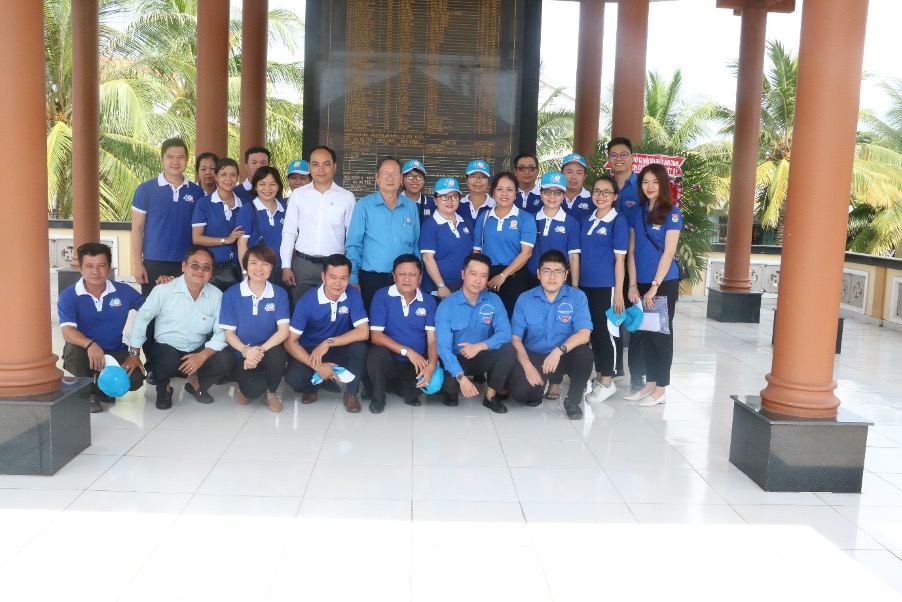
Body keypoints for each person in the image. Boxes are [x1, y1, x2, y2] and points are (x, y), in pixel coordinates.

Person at [128, 246, 235, 410]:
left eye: (206, 267)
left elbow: (221, 331)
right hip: (167, 348)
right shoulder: (163, 290)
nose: (200, 271)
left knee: (225, 359)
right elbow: (142, 319)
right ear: (183, 266)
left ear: (211, 272)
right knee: (167, 361)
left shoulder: (217, 295)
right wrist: (134, 354)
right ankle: (164, 388)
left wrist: (202, 356)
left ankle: (196, 382)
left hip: (196, 349)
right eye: (195, 265)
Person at [58, 242, 145, 413]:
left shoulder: (124, 291)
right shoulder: (69, 295)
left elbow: (150, 310)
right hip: (83, 352)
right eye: (89, 266)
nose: (95, 272)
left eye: (101, 266)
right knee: (73, 350)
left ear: (109, 267)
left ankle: (102, 388)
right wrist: (90, 345)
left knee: (135, 379)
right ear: (80, 269)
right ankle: (91, 393)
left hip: (114, 350)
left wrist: (134, 353)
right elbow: (67, 332)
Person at [509, 250, 593, 420]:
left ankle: (573, 400)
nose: (552, 277)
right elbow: (515, 338)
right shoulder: (525, 299)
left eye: (558, 272)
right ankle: (540, 386)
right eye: (547, 271)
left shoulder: (577, 297)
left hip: (562, 356)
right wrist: (528, 367)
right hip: (534, 356)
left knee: (585, 354)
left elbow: (584, 334)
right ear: (539, 274)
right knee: (520, 394)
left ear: (566, 275)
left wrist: (558, 351)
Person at [624, 163, 682, 407]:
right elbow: (631, 251)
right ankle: (649, 384)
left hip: (663, 282)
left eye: (655, 182)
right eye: (645, 182)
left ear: (663, 184)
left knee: (660, 336)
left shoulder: (672, 213)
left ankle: (660, 389)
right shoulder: (637, 213)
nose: (649, 186)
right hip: (641, 282)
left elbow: (668, 253)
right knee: (645, 335)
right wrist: (633, 285)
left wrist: (654, 287)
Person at [284, 254, 369, 413]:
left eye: (343, 278)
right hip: (311, 351)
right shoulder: (307, 301)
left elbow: (363, 332)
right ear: (323, 276)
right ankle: (312, 387)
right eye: (332, 277)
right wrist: (317, 366)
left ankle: (351, 393)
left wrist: (329, 342)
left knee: (360, 348)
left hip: (337, 346)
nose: (338, 283)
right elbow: (289, 342)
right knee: (294, 378)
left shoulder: (352, 294)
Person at [435, 253, 516, 414]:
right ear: (463, 274)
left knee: (508, 350)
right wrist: (461, 379)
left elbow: (505, 333)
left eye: (483, 276)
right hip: (457, 359)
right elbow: (443, 348)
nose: (477, 280)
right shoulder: (447, 305)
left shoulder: (493, 301)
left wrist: (479, 346)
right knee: (451, 396)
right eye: (473, 274)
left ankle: (490, 396)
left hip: (482, 355)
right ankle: (456, 384)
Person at [575, 175, 628, 404]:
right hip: (585, 286)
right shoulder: (586, 220)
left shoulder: (618, 221)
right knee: (592, 333)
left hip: (606, 287)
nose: (601, 196)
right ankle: (599, 378)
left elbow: (620, 261)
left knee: (606, 334)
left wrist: (619, 293)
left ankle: (607, 381)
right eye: (597, 191)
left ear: (615, 196)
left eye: (607, 192)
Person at [280, 145, 356, 303]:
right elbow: (289, 231)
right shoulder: (298, 195)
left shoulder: (347, 197)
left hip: (334, 267)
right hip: (302, 266)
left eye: (326, 164)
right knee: (301, 310)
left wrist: (351, 271)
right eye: (315, 164)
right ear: (309, 168)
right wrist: (286, 265)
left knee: (330, 312)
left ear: (334, 167)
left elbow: (352, 237)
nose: (321, 169)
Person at [218, 244, 289, 413]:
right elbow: (229, 334)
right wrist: (246, 351)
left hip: (267, 349)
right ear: (245, 266)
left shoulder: (279, 294)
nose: (259, 268)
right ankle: (244, 388)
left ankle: (271, 393)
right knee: (253, 391)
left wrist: (259, 351)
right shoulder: (231, 294)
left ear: (271, 268)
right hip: (240, 353)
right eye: (254, 263)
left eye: (265, 264)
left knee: (278, 355)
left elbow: (283, 331)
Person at [130, 137, 204, 296]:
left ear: (187, 160)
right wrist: (138, 264)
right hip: (153, 262)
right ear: (162, 160)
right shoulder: (145, 190)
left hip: (187, 262)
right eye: (170, 157)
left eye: (180, 157)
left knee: (183, 308)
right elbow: (137, 229)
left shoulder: (197, 193)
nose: (175, 161)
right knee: (154, 308)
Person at [346, 156, 420, 311]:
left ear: (401, 178)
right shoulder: (364, 205)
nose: (390, 178)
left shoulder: (410, 207)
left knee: (402, 321)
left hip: (404, 280)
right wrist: (352, 278)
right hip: (372, 280)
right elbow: (353, 245)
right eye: (385, 174)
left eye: (394, 174)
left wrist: (418, 276)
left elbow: (415, 244)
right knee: (373, 322)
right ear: (377, 177)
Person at [366, 255, 438, 413]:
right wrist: (407, 351)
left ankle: (394, 386)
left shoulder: (429, 301)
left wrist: (431, 366)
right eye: (402, 274)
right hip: (390, 360)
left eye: (412, 274)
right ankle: (378, 398)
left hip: (416, 363)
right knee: (376, 354)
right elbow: (375, 336)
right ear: (393, 275)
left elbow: (432, 340)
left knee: (434, 383)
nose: (407, 279)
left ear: (420, 276)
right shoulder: (382, 296)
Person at [607, 136, 644, 390]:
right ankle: (615, 367)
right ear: (608, 159)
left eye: (623, 154)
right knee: (613, 315)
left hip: (635, 261)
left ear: (632, 157)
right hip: (608, 261)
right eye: (614, 155)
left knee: (636, 316)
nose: (619, 159)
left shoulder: (641, 186)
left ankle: (638, 373)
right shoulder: (604, 186)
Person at [473, 171, 536, 318]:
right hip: (488, 278)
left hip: (514, 277)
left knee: (513, 319)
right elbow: (476, 252)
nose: (504, 194)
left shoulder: (525, 218)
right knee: (486, 319)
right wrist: (480, 277)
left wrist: (502, 276)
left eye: (509, 189)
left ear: (516, 193)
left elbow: (526, 253)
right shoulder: (484, 217)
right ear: (493, 192)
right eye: (500, 189)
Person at [191, 158, 244, 290]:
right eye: (223, 174)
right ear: (216, 177)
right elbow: (196, 238)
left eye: (233, 174)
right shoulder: (203, 203)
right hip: (209, 269)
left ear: (238, 177)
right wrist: (226, 240)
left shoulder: (244, 205)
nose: (228, 179)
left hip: (238, 269)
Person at [419, 177, 473, 298]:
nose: (450, 201)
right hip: (439, 289)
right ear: (435, 200)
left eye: (454, 197)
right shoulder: (430, 225)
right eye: (444, 197)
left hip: (464, 287)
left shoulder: (466, 223)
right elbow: (427, 258)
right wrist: (441, 285)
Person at [527, 171, 581, 291]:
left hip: (559, 281)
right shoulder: (529, 219)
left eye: (557, 192)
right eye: (547, 192)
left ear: (563, 195)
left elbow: (573, 256)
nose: (552, 196)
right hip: (531, 280)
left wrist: (575, 286)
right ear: (540, 193)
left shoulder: (572, 223)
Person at [237, 166, 288, 289]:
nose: (267, 188)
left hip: (282, 271)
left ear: (278, 186)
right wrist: (245, 273)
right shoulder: (248, 210)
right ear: (255, 186)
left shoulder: (286, 209)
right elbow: (242, 244)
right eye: (262, 184)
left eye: (272, 184)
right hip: (257, 272)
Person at [457, 159, 494, 231]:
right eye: (473, 176)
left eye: (483, 177)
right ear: (466, 180)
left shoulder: (495, 206)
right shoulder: (457, 206)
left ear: (488, 181)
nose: (478, 181)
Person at [560, 153, 594, 222]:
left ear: (584, 177)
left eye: (579, 173)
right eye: (569, 172)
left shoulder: (593, 199)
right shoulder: (551, 198)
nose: (574, 177)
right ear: (561, 174)